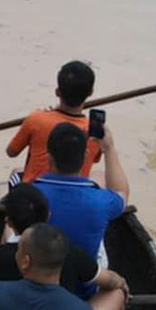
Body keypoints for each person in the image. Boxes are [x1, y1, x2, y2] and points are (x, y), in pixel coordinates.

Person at [0, 184, 129, 310]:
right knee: (117, 293)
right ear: (49, 215)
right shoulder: (69, 252)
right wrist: (121, 283)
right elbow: (110, 281)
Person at [32, 120, 130, 282]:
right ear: (85, 157)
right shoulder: (101, 201)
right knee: (118, 292)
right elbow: (121, 193)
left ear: (49, 158)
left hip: (36, 281)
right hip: (84, 288)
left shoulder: (30, 195)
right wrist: (109, 149)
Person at [5, 59, 105, 184]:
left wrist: (32, 122)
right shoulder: (95, 131)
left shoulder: (36, 118)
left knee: (16, 171)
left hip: (34, 192)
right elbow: (94, 159)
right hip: (74, 191)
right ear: (90, 93)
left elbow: (11, 152)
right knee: (99, 175)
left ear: (57, 92)